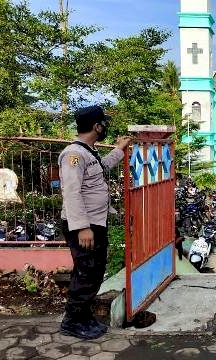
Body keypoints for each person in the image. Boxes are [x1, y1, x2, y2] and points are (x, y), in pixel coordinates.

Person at [59, 105, 132, 340]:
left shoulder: (87, 151)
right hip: (85, 226)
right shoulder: (73, 154)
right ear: (96, 126)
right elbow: (72, 193)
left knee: (92, 271)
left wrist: (119, 150)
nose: (105, 127)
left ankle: (82, 315)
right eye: (103, 123)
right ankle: (72, 321)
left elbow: (101, 169)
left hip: (94, 223)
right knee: (87, 272)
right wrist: (82, 228)